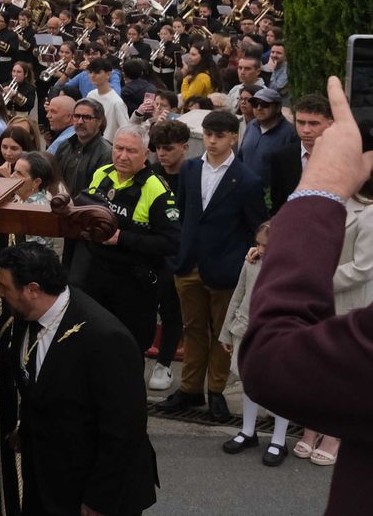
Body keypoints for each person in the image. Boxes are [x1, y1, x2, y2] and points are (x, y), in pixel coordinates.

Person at [241, 80, 373, 512]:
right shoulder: (282, 157)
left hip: (335, 300)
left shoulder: (359, 208)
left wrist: (320, 189)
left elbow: (272, 359)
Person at [0, 240, 159, 516]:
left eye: (4, 286)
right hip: (50, 479)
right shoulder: (26, 316)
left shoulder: (106, 339)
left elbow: (123, 430)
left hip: (98, 491)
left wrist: (99, 500)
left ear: (33, 290)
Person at [159, 109, 266, 420]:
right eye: (208, 135)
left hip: (225, 267)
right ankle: (190, 389)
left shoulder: (247, 180)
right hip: (189, 263)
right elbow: (181, 213)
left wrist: (245, 259)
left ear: (233, 137)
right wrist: (178, 254)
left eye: (219, 136)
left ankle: (216, 390)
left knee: (222, 332)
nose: (212, 141)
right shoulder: (191, 169)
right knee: (192, 329)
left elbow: (256, 226)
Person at [71, 125, 180, 351]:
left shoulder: (156, 189)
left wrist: (122, 238)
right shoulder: (103, 174)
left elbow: (171, 243)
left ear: (145, 154)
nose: (122, 155)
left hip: (133, 285)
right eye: (118, 148)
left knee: (127, 350)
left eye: (131, 151)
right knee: (92, 346)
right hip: (95, 277)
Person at [218, 221, 289, 465]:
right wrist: (226, 332)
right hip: (245, 329)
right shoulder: (251, 263)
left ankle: (279, 439)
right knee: (249, 381)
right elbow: (238, 295)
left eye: (266, 245)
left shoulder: (290, 269)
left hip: (276, 334)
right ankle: (248, 431)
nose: (260, 248)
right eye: (258, 243)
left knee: (279, 386)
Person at [147, 119, 192, 391]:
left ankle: (164, 363)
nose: (162, 153)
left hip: (179, 254)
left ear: (184, 147)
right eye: (158, 148)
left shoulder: (194, 175)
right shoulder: (151, 174)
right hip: (150, 250)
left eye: (168, 148)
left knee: (172, 312)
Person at [239, 86, 301, 215]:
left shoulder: (290, 134)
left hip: (270, 201)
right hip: (244, 193)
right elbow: (241, 156)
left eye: (265, 104)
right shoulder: (251, 126)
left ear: (277, 107)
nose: (259, 108)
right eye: (255, 104)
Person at [54, 98, 112, 196]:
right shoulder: (64, 146)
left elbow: (100, 192)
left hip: (85, 209)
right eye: (76, 116)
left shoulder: (106, 153)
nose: (80, 121)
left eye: (87, 117)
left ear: (99, 121)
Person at [85, 58, 131, 141]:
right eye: (90, 72)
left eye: (97, 72)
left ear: (108, 75)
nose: (92, 75)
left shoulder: (117, 102)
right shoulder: (91, 95)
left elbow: (126, 129)